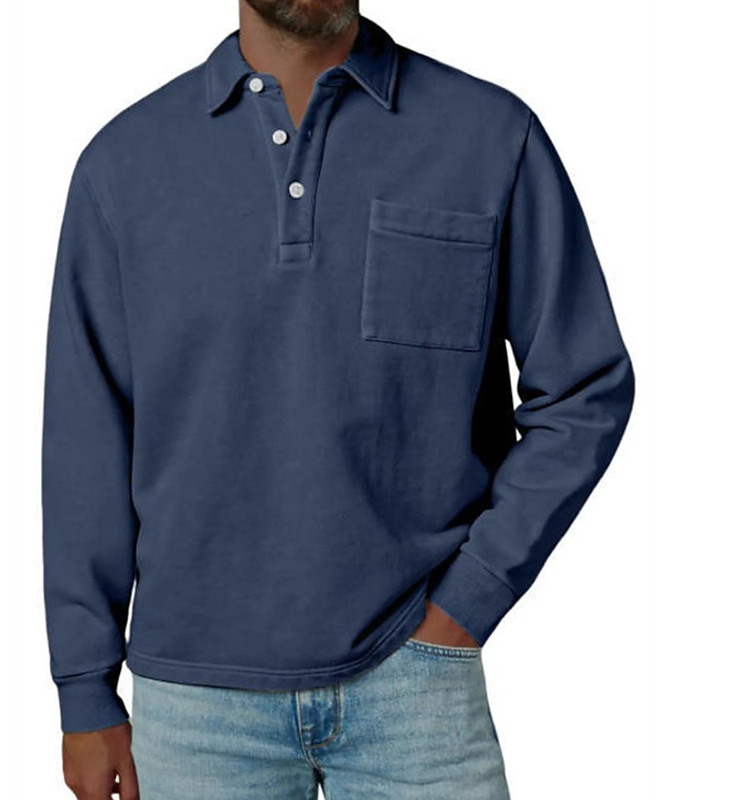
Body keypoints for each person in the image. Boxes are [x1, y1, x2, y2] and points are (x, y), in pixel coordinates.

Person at [42, 2, 635, 798]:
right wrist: (84, 686)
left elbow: (585, 387)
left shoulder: (490, 136)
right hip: (193, 703)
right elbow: (86, 437)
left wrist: (469, 601)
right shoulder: (124, 163)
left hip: (416, 678)